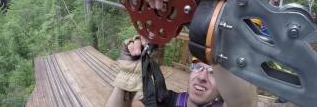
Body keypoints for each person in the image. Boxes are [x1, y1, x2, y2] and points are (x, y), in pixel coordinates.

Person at [105, 36, 258, 107]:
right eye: (198, 67)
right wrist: (126, 78)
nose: (202, 76)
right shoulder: (165, 100)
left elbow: (244, 103)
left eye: (213, 72)